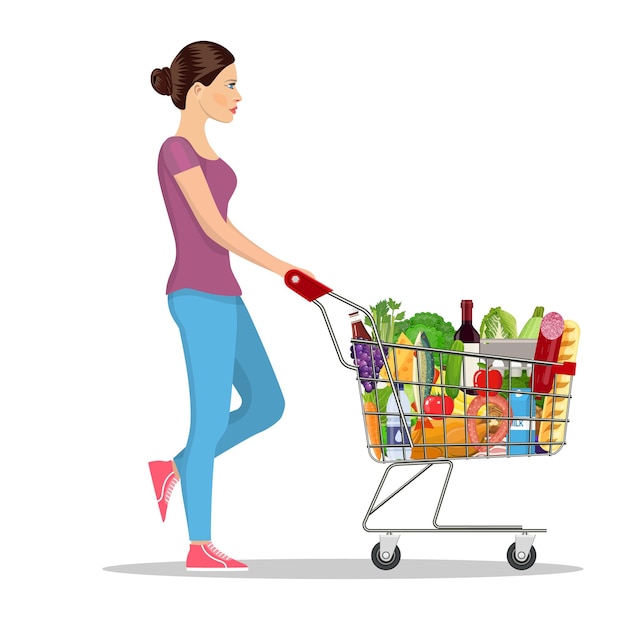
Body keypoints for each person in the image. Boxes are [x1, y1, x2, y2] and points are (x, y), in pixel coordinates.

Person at [149, 41, 313, 572]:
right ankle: (200, 545)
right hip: (196, 295)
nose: (239, 96)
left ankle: (175, 467)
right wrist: (284, 267)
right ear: (198, 92)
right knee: (210, 419)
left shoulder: (210, 152)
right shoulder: (175, 152)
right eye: (231, 85)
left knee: (268, 403)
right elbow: (212, 226)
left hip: (226, 292)